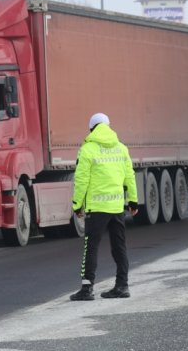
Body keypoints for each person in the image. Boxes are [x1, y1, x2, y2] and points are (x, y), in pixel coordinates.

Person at [69, 112, 138, 301]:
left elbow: (81, 180)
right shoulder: (121, 148)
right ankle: (122, 286)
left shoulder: (87, 149)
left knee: (91, 247)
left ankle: (86, 288)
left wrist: (77, 204)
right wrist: (132, 200)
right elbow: (129, 176)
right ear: (108, 126)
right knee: (119, 247)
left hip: (97, 208)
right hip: (117, 207)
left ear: (91, 129)